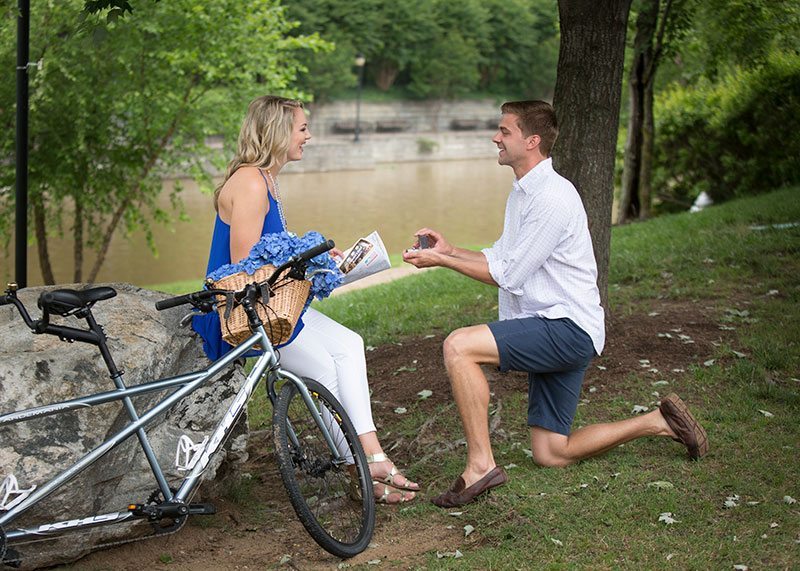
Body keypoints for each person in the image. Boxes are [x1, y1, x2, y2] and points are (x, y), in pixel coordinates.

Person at [403, 100, 708, 508]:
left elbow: (508, 275)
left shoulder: (551, 198)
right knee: (551, 452)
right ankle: (657, 422)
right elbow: (503, 258)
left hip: (566, 328)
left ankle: (480, 466)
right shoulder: (525, 192)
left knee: (459, 346)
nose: (496, 137)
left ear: (531, 141)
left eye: (505, 131)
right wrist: (451, 250)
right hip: (558, 326)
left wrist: (442, 262)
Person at [192, 95, 419, 504]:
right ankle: (365, 468)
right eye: (302, 128)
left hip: (274, 305)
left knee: (349, 345)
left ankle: (370, 455)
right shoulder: (249, 181)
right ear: (278, 133)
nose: (309, 136)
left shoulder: (266, 180)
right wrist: (301, 257)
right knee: (323, 371)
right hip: (246, 314)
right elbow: (246, 265)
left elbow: (268, 251)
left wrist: (318, 259)